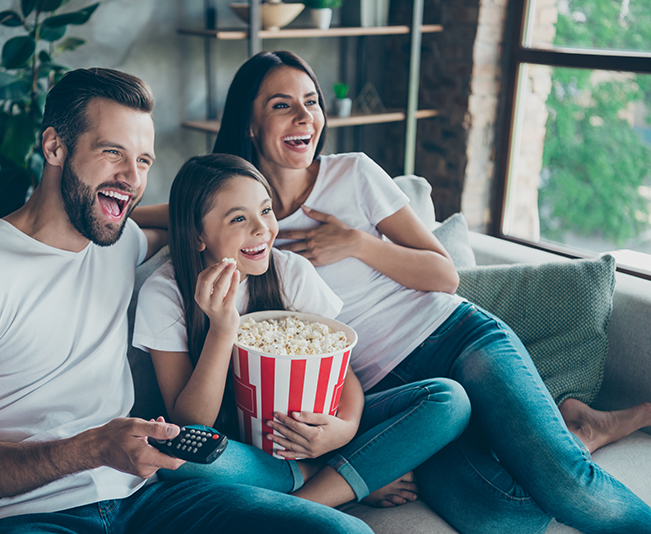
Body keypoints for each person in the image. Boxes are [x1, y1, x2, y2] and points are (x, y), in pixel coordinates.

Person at [0, 67, 374, 534]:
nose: (131, 177)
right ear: (54, 146)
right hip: (18, 515)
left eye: (143, 161)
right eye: (112, 152)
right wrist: (90, 448)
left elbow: (193, 221)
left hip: (143, 499)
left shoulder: (118, 242)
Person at [206, 50, 651, 533]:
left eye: (311, 101)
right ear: (248, 124)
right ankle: (567, 430)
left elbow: (445, 274)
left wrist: (356, 244)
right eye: (280, 105)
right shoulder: (241, 214)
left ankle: (563, 441)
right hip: (403, 396)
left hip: (456, 338)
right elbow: (172, 209)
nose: (304, 117)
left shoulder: (352, 172)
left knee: (568, 484)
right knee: (505, 517)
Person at [132, 153, 471, 508]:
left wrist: (345, 428)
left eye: (265, 210)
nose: (262, 229)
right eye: (238, 218)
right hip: (243, 448)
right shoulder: (166, 293)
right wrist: (222, 328)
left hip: (319, 427)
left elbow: (340, 368)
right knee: (179, 459)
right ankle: (336, 477)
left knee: (449, 401)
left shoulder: (291, 271)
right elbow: (191, 421)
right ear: (197, 234)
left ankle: (307, 497)